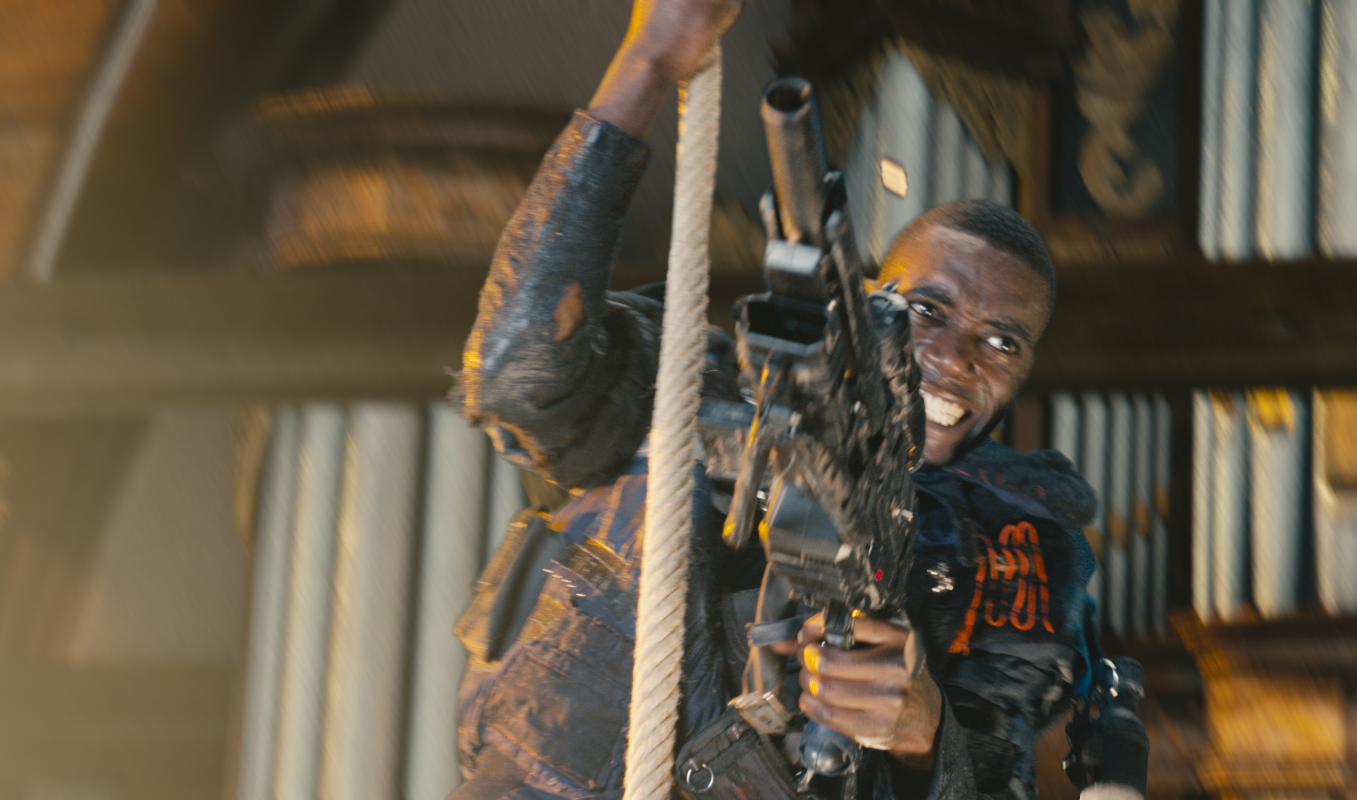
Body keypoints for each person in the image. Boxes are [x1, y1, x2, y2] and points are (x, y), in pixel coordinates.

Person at [448, 1, 1111, 798]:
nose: (953, 359)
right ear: (867, 299)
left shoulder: (1019, 544)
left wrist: (923, 732)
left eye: (1002, 342)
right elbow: (518, 372)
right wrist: (647, 63)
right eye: (927, 310)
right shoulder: (693, 382)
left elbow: (996, 777)